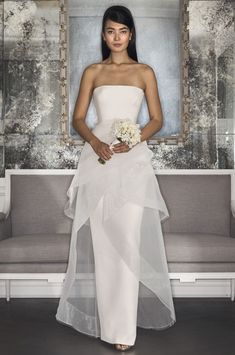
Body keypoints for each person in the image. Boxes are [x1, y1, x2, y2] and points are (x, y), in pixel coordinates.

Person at [55, 4, 176, 352]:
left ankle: (124, 330)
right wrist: (96, 143)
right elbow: (79, 119)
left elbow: (155, 119)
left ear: (131, 34)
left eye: (122, 31)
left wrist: (133, 139)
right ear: (104, 35)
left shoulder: (145, 72)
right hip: (100, 160)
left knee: (128, 241)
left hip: (133, 161)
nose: (116, 37)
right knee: (104, 244)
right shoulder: (93, 71)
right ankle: (112, 328)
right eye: (110, 31)